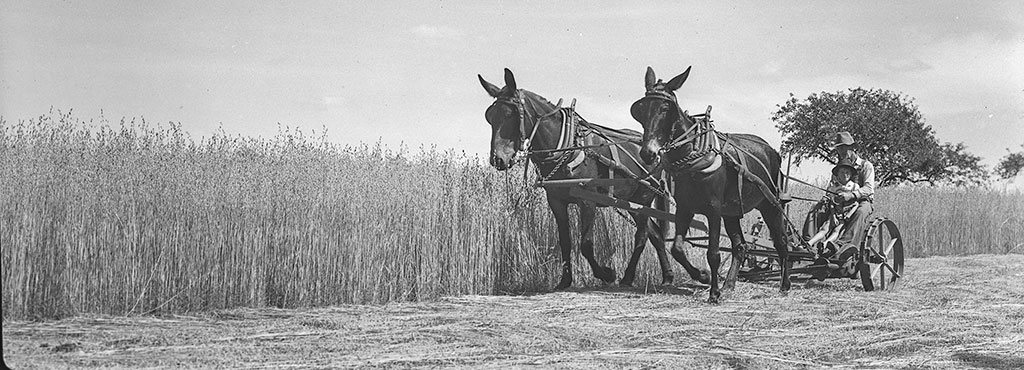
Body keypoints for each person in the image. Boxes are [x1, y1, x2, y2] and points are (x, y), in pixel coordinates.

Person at [830, 131, 876, 254]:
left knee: (861, 211)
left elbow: (868, 189)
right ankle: (808, 243)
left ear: (852, 148)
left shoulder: (866, 166)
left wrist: (851, 195)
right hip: (841, 203)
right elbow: (832, 188)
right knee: (817, 208)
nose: (841, 152)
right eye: (839, 149)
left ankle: (842, 247)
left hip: (863, 201)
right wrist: (828, 199)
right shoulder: (838, 169)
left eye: (844, 148)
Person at [807, 158, 860, 255]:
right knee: (825, 228)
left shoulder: (854, 187)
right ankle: (809, 243)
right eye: (842, 172)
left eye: (847, 172)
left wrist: (848, 216)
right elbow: (831, 202)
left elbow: (856, 204)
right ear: (838, 174)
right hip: (835, 212)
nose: (845, 174)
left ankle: (825, 243)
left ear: (851, 174)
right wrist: (833, 215)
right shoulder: (834, 187)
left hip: (845, 214)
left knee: (837, 230)